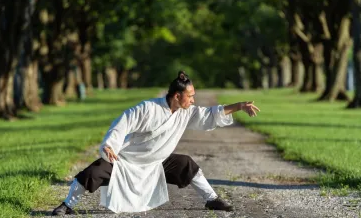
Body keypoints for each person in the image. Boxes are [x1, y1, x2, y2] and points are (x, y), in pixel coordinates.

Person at [52, 71, 260, 215]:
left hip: (157, 162)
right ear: (177, 96)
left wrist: (240, 105)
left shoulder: (185, 113)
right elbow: (122, 123)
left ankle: (211, 199)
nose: (193, 100)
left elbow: (210, 115)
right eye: (191, 96)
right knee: (93, 172)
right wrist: (110, 145)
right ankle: (67, 205)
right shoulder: (148, 108)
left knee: (186, 164)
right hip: (128, 162)